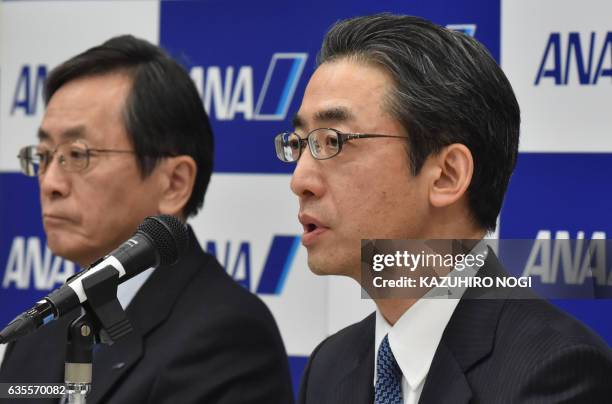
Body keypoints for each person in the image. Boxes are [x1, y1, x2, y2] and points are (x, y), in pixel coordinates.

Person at [274, 14, 612, 404]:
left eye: (332, 141)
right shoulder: (329, 368)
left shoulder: (554, 373)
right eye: (298, 144)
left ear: (447, 175)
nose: (300, 180)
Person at [0, 35, 294, 404]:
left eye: (78, 154)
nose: (51, 183)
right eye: (43, 155)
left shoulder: (227, 335)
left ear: (174, 183)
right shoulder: (39, 330)